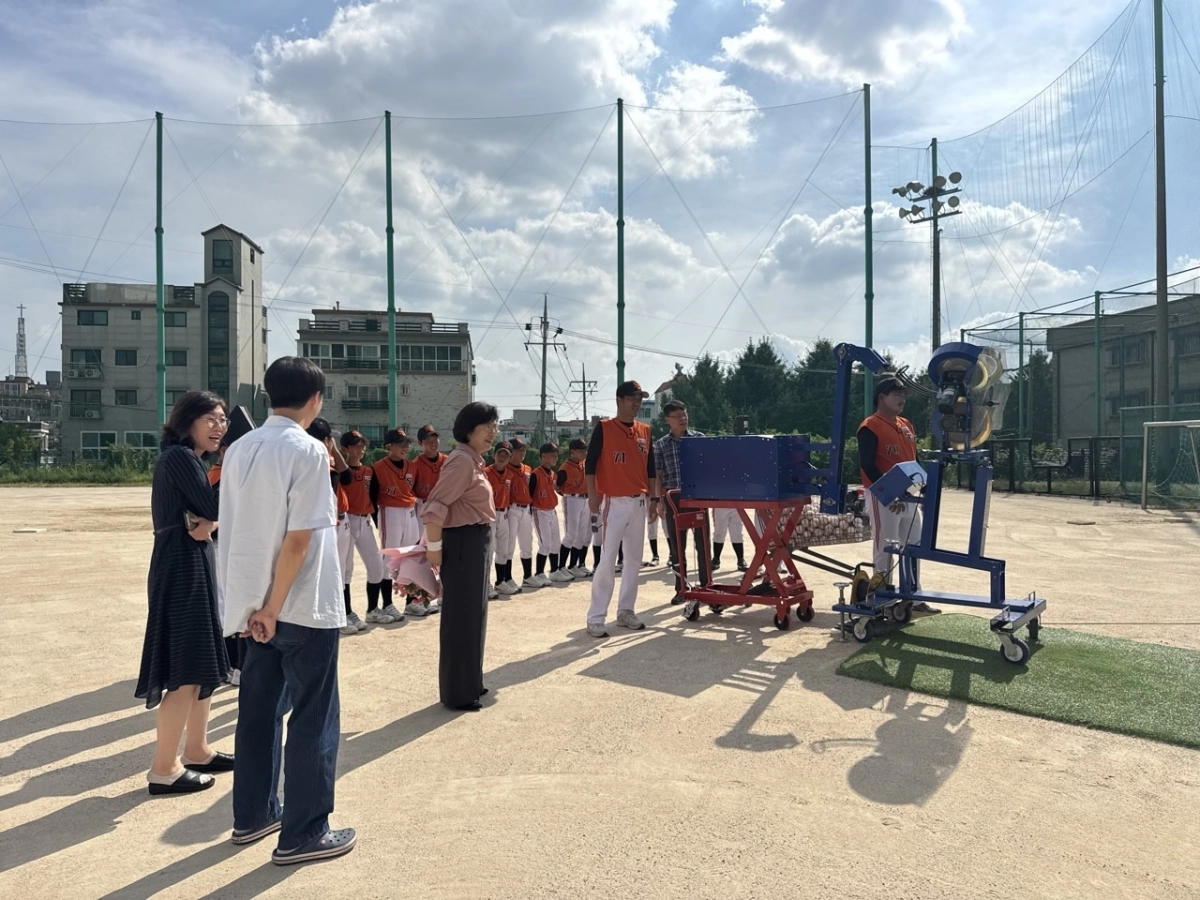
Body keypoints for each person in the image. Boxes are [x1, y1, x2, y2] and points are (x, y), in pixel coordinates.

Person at [218, 355, 356, 864]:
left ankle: (252, 815)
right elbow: (298, 540)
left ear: (268, 396)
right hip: (298, 605)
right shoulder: (308, 451)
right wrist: (275, 606)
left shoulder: (240, 448)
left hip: (252, 602)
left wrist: (256, 607)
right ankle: (304, 833)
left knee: (257, 714)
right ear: (316, 399)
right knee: (314, 717)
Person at [137, 391, 231, 795]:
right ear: (186, 421)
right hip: (181, 564)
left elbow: (208, 512)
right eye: (210, 418)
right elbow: (212, 504)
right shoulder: (179, 457)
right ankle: (164, 767)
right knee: (186, 668)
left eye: (223, 419)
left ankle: (197, 749)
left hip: (191, 559)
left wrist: (207, 522)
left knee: (202, 664)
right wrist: (211, 512)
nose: (219, 426)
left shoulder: (189, 460)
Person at [422, 402, 499, 711]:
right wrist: (434, 550)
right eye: (487, 427)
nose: (493, 432)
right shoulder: (461, 462)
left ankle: (470, 682)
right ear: (469, 430)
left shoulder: (473, 461)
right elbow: (435, 507)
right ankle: (458, 692)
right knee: (461, 620)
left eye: (495, 426)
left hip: (476, 542)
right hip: (464, 543)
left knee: (474, 617)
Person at [858, 376, 938, 614]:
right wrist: (887, 495)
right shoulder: (870, 425)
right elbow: (867, 465)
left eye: (904, 395)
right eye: (897, 395)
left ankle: (912, 597)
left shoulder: (906, 424)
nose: (902, 399)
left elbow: (914, 460)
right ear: (881, 397)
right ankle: (881, 597)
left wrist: (923, 490)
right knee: (886, 547)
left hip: (909, 495)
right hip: (885, 496)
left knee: (913, 546)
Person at [585, 381, 659, 638]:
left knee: (634, 560)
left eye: (639, 398)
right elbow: (590, 463)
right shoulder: (604, 428)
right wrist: (593, 495)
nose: (636, 403)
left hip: (639, 500)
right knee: (607, 559)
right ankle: (596, 617)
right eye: (631, 398)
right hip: (614, 501)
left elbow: (650, 468)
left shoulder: (645, 430)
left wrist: (654, 499)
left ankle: (625, 609)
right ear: (619, 400)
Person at [306, 418, 364, 636]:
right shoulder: (313, 459)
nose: (330, 442)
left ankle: (344, 611)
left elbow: (347, 477)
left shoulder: (328, 457)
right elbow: (332, 482)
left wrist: (333, 451)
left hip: (341, 520)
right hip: (327, 524)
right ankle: (335, 615)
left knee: (345, 570)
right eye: (328, 438)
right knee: (333, 571)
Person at [652, 399, 712, 604]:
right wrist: (658, 500)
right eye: (677, 416)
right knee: (678, 545)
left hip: (698, 496)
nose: (682, 419)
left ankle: (707, 586)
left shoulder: (699, 439)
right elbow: (658, 474)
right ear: (668, 419)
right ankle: (681, 589)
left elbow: (708, 467)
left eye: (684, 415)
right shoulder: (661, 445)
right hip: (673, 497)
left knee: (703, 543)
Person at [337, 430, 396, 625]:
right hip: (346, 520)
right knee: (346, 570)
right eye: (356, 445)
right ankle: (345, 613)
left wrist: (378, 523)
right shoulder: (340, 471)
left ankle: (372, 610)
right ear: (345, 448)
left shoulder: (369, 471)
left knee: (377, 566)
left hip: (365, 521)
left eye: (362, 445)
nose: (361, 448)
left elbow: (374, 498)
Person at [371, 429, 424, 619]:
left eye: (407, 444)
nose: (405, 447)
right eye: (400, 444)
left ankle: (411, 602)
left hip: (410, 511)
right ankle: (387, 604)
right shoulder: (377, 468)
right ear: (389, 447)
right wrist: (379, 521)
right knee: (389, 559)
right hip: (389, 511)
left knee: (411, 556)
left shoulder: (412, 467)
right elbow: (372, 497)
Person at [208, 444, 245, 686]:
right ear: (223, 450)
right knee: (225, 606)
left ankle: (237, 664)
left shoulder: (235, 473)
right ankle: (232, 664)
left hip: (238, 546)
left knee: (237, 604)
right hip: (221, 546)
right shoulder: (216, 477)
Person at [530, 441, 572, 583]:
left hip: (552, 510)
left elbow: (557, 490)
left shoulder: (553, 474)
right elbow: (530, 493)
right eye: (552, 455)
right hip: (540, 511)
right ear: (543, 456)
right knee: (545, 544)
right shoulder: (535, 474)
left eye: (556, 455)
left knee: (555, 544)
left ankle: (554, 571)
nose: (555, 458)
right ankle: (539, 573)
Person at [485, 442, 520, 596]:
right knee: (489, 550)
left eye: (506, 455)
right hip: (490, 515)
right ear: (494, 455)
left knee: (503, 551)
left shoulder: (509, 474)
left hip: (504, 513)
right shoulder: (486, 472)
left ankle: (500, 582)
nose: (502, 457)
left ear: (510, 458)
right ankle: (486, 584)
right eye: (500, 453)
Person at [556, 437, 591, 577]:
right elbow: (557, 486)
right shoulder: (565, 468)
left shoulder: (583, 464)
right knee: (571, 535)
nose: (584, 453)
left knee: (582, 535)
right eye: (581, 451)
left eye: (584, 450)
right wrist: (566, 495)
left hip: (585, 499)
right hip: (572, 499)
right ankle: (560, 567)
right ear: (572, 452)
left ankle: (573, 565)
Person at [505, 438, 536, 589]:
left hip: (525, 508)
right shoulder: (505, 469)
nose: (522, 452)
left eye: (523, 449)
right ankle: (507, 577)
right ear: (511, 452)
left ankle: (528, 576)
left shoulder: (528, 469)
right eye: (519, 450)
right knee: (509, 545)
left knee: (527, 543)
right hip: (512, 508)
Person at [411, 424, 447, 529]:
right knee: (422, 542)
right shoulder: (415, 464)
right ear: (420, 443)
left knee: (444, 542)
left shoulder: (447, 461)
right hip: (423, 506)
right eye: (428, 439)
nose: (433, 442)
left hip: (443, 506)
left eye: (435, 439)